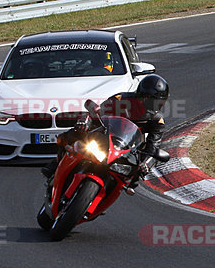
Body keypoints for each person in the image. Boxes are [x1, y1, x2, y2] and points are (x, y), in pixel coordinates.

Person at [41, 74, 170, 192]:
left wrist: (146, 164)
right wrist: (84, 122)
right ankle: (55, 165)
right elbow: (97, 112)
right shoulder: (121, 100)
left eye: (160, 101)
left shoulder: (157, 120)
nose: (156, 105)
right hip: (104, 135)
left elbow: (153, 146)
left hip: (127, 150)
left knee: (135, 177)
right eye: (152, 100)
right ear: (142, 96)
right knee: (72, 135)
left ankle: (105, 194)